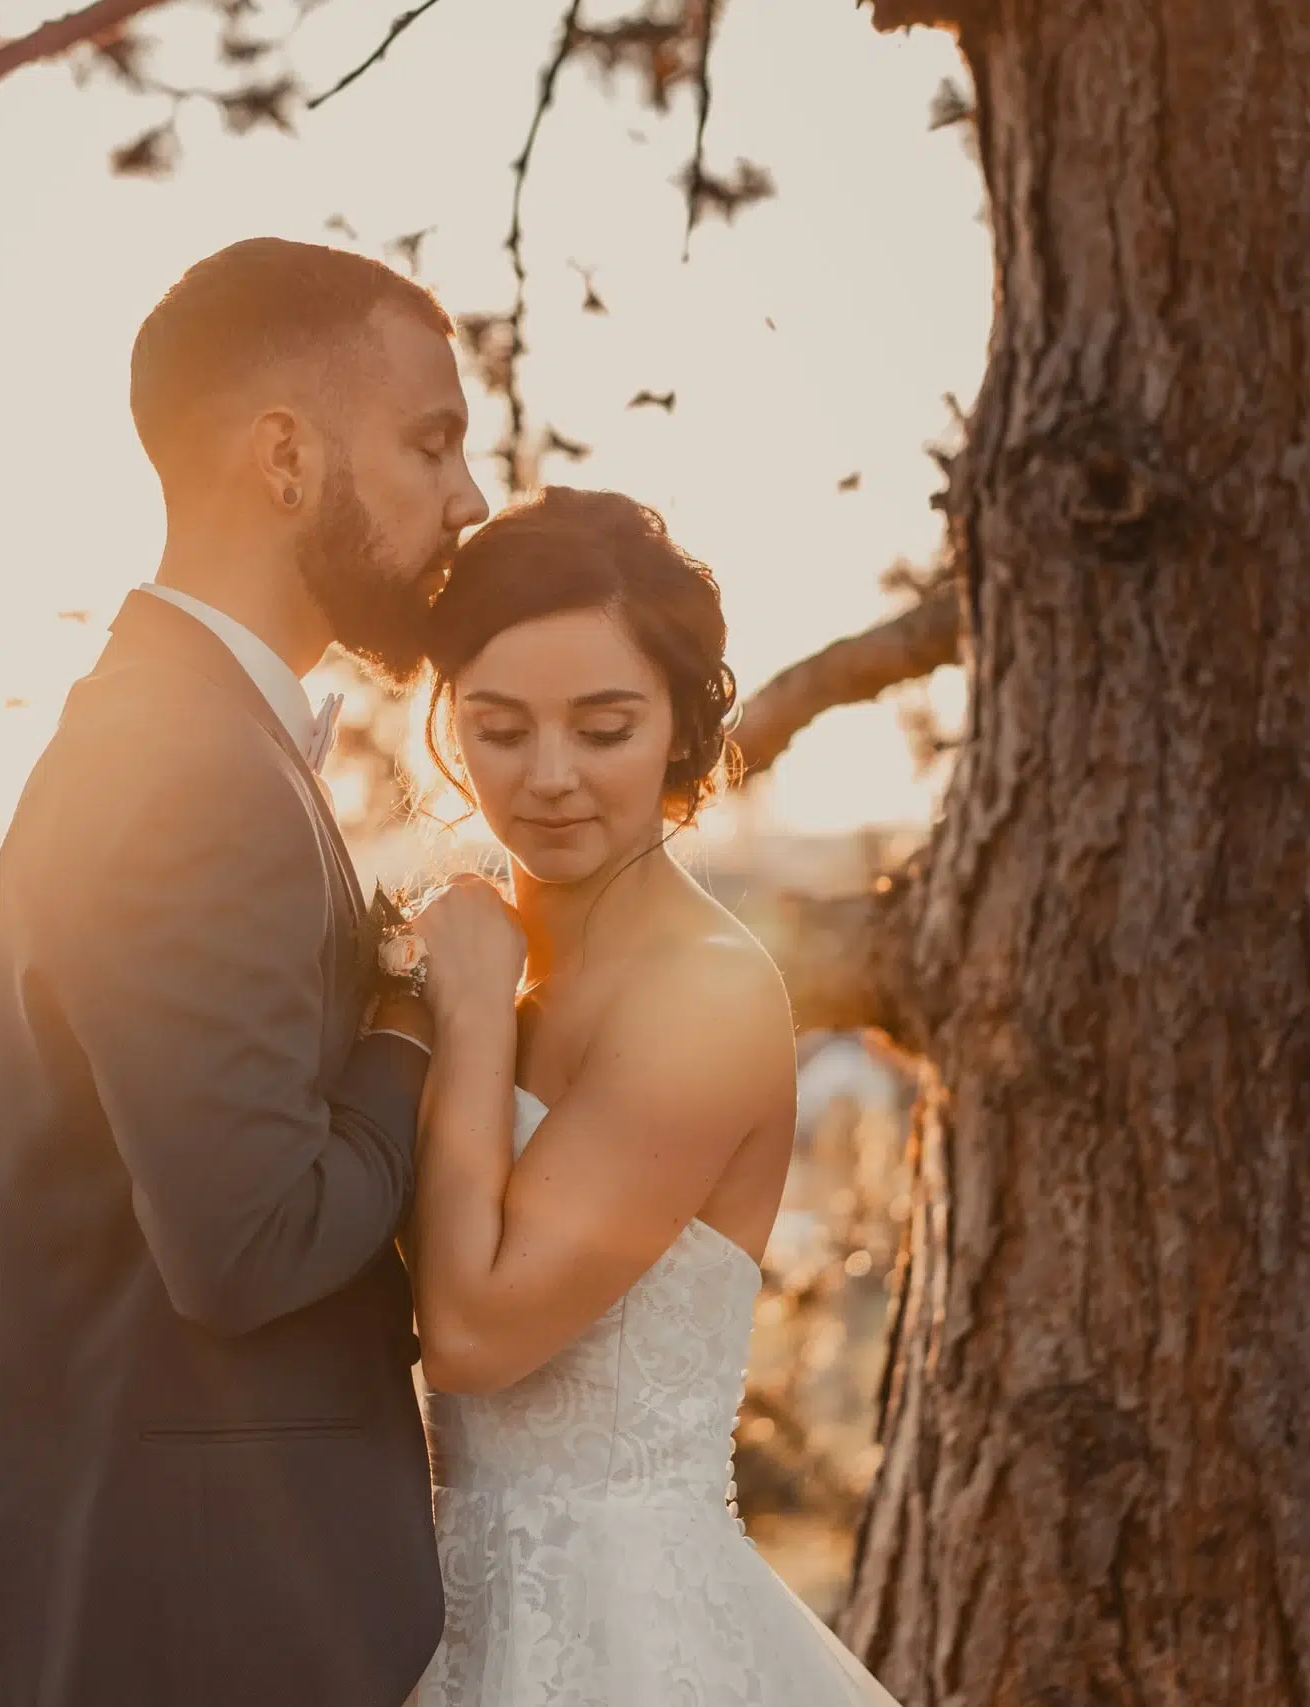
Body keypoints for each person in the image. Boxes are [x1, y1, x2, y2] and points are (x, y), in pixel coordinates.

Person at [0, 236, 488, 1707]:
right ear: (284, 458)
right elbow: (250, 1241)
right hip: (172, 1627)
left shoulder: (192, 733)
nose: (469, 496)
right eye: (431, 442)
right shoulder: (187, 767)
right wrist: (418, 1019)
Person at [388, 486, 904, 1706]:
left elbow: (472, 1338)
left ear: (680, 727)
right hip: (429, 1610)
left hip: (628, 1637)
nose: (549, 777)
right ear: (448, 723)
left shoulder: (702, 995)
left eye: (603, 728)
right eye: (499, 728)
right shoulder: (490, 958)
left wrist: (471, 1019)